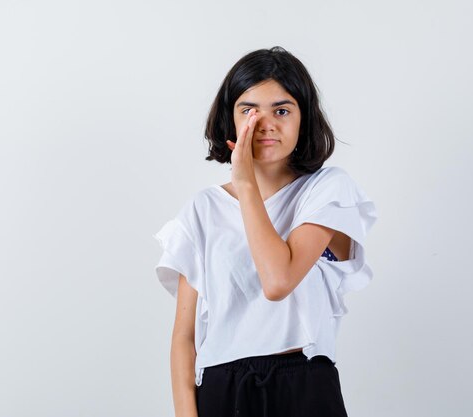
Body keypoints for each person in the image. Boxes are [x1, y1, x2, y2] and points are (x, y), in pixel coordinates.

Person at [153, 46, 377, 417]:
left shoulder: (327, 191)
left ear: (304, 118)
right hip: (222, 389)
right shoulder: (202, 209)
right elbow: (184, 336)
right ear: (231, 118)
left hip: (302, 382)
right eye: (249, 110)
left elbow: (278, 280)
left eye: (282, 110)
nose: (265, 123)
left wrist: (245, 185)